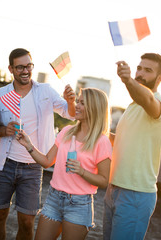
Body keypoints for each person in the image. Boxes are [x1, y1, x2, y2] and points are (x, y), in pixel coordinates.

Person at [0, 48, 76, 240]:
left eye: (29, 66)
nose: (25, 71)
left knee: (27, 222)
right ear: (11, 69)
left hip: (33, 167)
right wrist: (5, 130)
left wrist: (70, 101)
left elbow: (70, 114)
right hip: (5, 164)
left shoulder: (46, 90)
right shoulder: (0, 94)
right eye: (20, 67)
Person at [16, 88, 112, 240]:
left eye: (82, 103)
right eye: (78, 101)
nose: (77, 106)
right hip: (54, 198)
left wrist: (82, 171)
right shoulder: (67, 131)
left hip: (79, 204)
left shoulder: (102, 142)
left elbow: (104, 181)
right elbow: (47, 162)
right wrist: (28, 145)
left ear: (94, 108)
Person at [103, 53, 161, 240]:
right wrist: (96, 132)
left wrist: (127, 80)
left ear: (160, 78)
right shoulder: (132, 106)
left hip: (135, 194)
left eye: (147, 70)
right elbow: (122, 140)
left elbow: (148, 100)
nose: (140, 73)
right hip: (113, 189)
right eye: (139, 68)